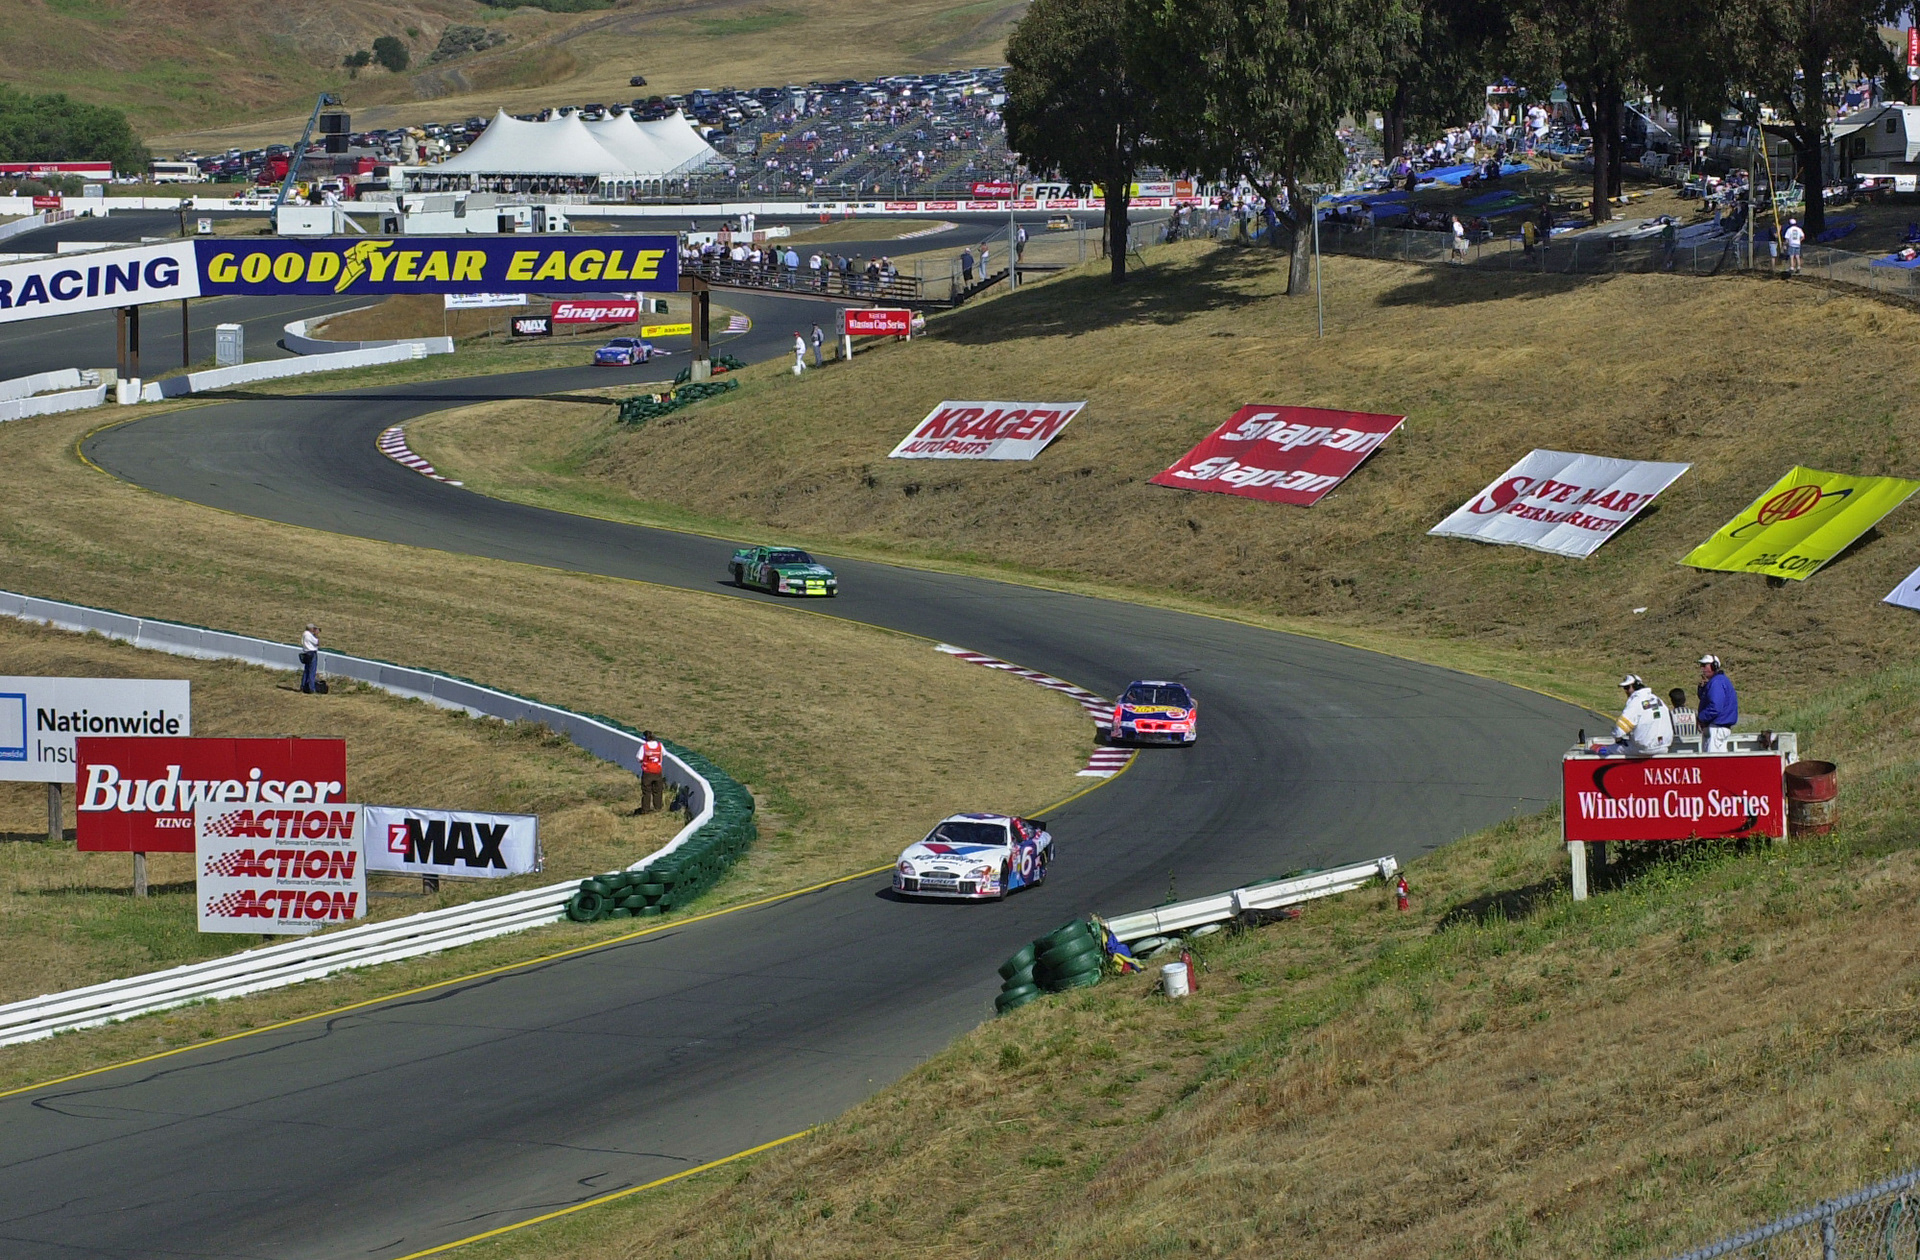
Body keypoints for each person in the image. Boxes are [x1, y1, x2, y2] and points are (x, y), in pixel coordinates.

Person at [1609, 674, 1674, 756]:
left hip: (1644, 748)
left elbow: (1619, 730)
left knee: (1609, 749)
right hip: (1664, 747)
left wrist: (1617, 737)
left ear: (1635, 686)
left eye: (1627, 688)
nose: (1626, 691)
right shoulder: (1657, 699)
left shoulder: (1636, 701)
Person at [1696, 654, 1738, 752]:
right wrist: (1703, 688)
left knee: (1712, 763)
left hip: (1716, 728)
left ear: (1713, 666)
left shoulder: (1717, 682)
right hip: (1719, 728)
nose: (1702, 668)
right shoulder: (1718, 681)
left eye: (1705, 665)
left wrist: (1701, 717)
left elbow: (1715, 707)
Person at [636, 730, 665, 813]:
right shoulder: (660, 745)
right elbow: (664, 754)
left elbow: (639, 758)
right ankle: (658, 808)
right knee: (658, 791)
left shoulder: (644, 747)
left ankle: (645, 809)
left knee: (646, 791)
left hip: (647, 772)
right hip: (658, 771)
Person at [299, 623, 320, 694]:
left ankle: (303, 686)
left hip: (306, 653)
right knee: (312, 671)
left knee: (306, 670)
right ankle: (311, 688)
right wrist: (316, 635)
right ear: (310, 629)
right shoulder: (309, 635)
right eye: (313, 628)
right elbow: (317, 642)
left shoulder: (304, 634)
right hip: (311, 653)